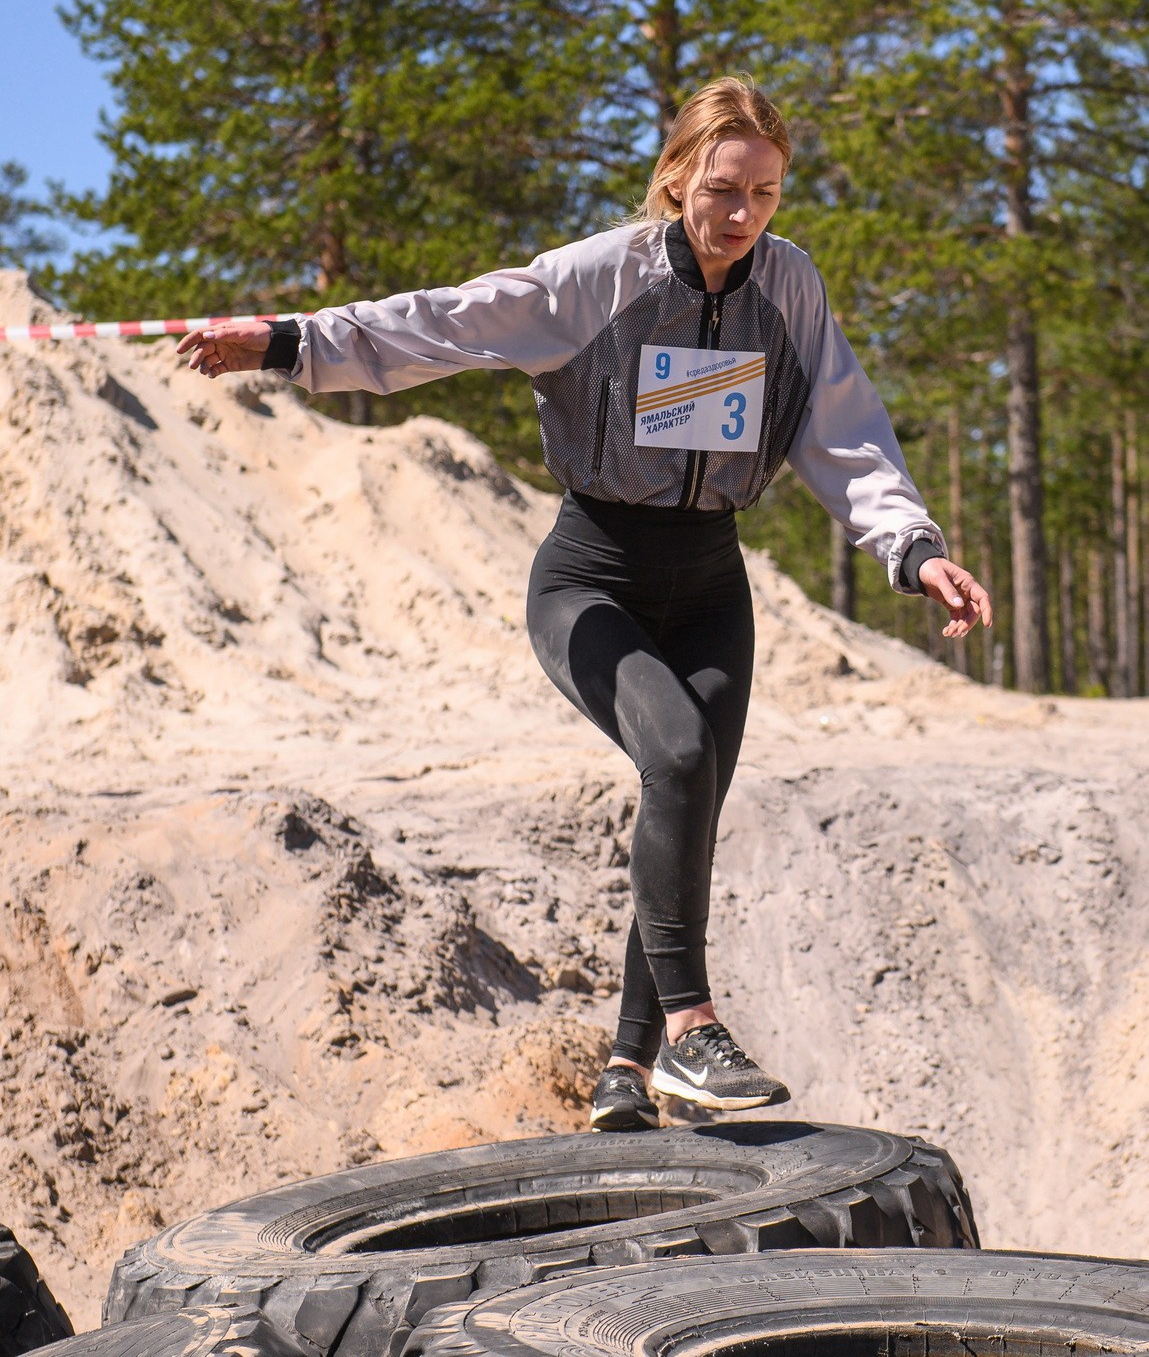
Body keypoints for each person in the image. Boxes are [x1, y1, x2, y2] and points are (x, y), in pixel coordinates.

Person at [178, 76, 992, 1134]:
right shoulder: (602, 277)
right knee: (682, 754)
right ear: (675, 179)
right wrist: (292, 341)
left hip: (710, 584)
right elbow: (447, 326)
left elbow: (842, 427)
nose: (741, 214)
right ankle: (696, 1030)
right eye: (721, 189)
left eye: (765, 193)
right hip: (591, 576)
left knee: (685, 802)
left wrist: (913, 548)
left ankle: (630, 1063)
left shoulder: (788, 287)